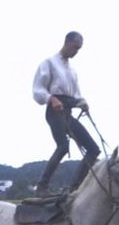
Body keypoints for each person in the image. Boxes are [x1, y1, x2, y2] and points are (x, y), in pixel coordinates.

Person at [32, 31, 101, 196]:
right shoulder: (48, 63)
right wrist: (51, 99)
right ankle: (41, 187)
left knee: (93, 149)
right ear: (67, 42)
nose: (77, 51)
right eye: (75, 47)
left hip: (68, 111)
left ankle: (74, 188)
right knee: (63, 146)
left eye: (79, 49)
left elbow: (75, 95)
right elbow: (37, 90)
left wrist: (82, 103)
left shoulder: (72, 71)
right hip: (54, 110)